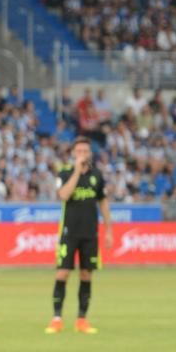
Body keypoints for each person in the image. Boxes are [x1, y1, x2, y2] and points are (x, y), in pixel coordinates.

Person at [45, 137, 112, 334]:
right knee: (62, 273)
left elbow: (103, 203)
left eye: (85, 150)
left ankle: (82, 319)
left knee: (86, 275)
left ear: (90, 153)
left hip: (90, 233)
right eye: (79, 150)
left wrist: (109, 230)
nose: (83, 153)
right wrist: (76, 170)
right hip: (69, 232)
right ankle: (57, 318)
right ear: (73, 153)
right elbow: (64, 195)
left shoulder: (97, 175)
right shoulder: (65, 173)